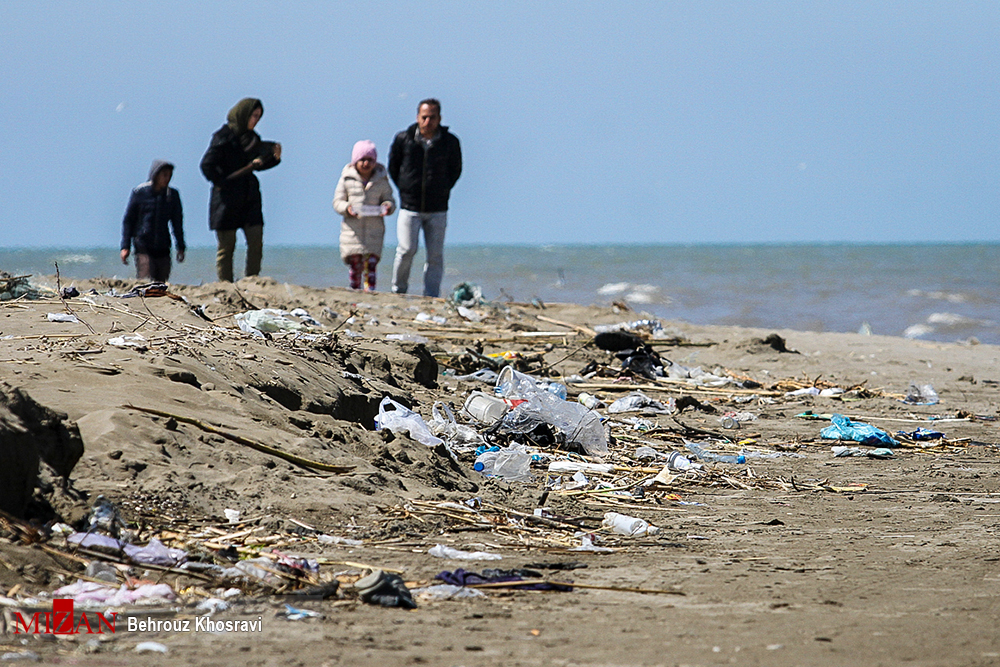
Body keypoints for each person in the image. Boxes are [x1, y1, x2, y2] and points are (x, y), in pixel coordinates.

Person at [200, 98, 281, 282]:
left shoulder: (253, 139)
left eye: (258, 117)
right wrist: (221, 182)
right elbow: (207, 165)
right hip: (226, 199)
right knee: (227, 245)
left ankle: (252, 280)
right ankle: (225, 283)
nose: (256, 120)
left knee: (255, 240)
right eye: (254, 116)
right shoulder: (223, 137)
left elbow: (258, 166)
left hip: (249, 196)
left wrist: (274, 159)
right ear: (244, 114)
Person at [388, 98, 462, 297]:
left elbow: (455, 170)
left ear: (439, 119)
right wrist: (406, 189)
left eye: (432, 117)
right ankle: (398, 290)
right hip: (409, 206)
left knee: (435, 255)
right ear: (417, 117)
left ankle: (431, 294)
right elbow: (394, 167)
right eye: (424, 117)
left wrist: (442, 189)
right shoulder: (404, 139)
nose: (428, 122)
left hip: (438, 208)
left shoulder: (450, 142)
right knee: (406, 250)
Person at [333, 140, 396, 291]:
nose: (366, 163)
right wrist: (347, 208)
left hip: (374, 233)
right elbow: (337, 202)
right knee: (355, 267)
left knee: (371, 266)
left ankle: (370, 293)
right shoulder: (346, 179)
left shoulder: (381, 180)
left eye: (370, 160)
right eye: (362, 160)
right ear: (355, 161)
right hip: (352, 233)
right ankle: (355, 293)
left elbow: (390, 199)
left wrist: (387, 207)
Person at [120, 160, 185, 282]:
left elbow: (177, 222)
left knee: (161, 282)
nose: (167, 178)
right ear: (156, 174)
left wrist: (180, 246)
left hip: (163, 246)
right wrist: (125, 246)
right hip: (143, 245)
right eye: (164, 175)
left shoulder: (172, 195)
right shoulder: (140, 192)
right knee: (146, 279)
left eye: (169, 175)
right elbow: (128, 220)